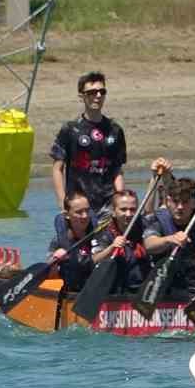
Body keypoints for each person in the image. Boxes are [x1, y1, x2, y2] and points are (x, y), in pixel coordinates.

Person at [49, 71, 126, 227]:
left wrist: (119, 201)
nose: (97, 96)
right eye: (92, 92)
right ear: (81, 96)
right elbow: (57, 169)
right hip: (79, 205)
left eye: (102, 92)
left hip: (107, 205)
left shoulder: (115, 130)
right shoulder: (70, 129)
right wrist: (63, 203)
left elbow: (117, 170)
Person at [142, 172, 195, 294]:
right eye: (175, 201)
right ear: (168, 201)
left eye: (185, 202)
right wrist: (170, 239)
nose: (180, 207)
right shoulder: (159, 220)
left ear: (194, 202)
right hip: (169, 288)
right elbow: (149, 244)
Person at [84, 187, 150, 295]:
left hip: (143, 289)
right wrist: (111, 248)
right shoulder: (103, 232)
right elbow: (94, 260)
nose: (128, 214)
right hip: (116, 290)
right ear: (114, 212)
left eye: (133, 209)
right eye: (123, 209)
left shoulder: (145, 225)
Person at [48, 191, 98, 291]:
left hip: (95, 288)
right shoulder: (58, 241)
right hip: (70, 290)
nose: (85, 216)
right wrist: (54, 262)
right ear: (67, 215)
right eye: (79, 212)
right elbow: (51, 277)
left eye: (87, 210)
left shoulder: (100, 234)